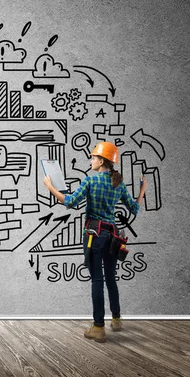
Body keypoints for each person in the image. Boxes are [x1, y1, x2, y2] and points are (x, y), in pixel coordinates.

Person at [43, 142, 148, 343]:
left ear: (101, 161)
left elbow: (71, 202)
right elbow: (135, 209)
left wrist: (50, 187)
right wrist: (142, 190)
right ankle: (116, 319)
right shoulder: (119, 183)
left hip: (94, 235)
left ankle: (98, 327)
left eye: (93, 158)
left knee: (97, 280)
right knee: (111, 278)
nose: (91, 161)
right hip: (113, 237)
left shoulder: (90, 181)